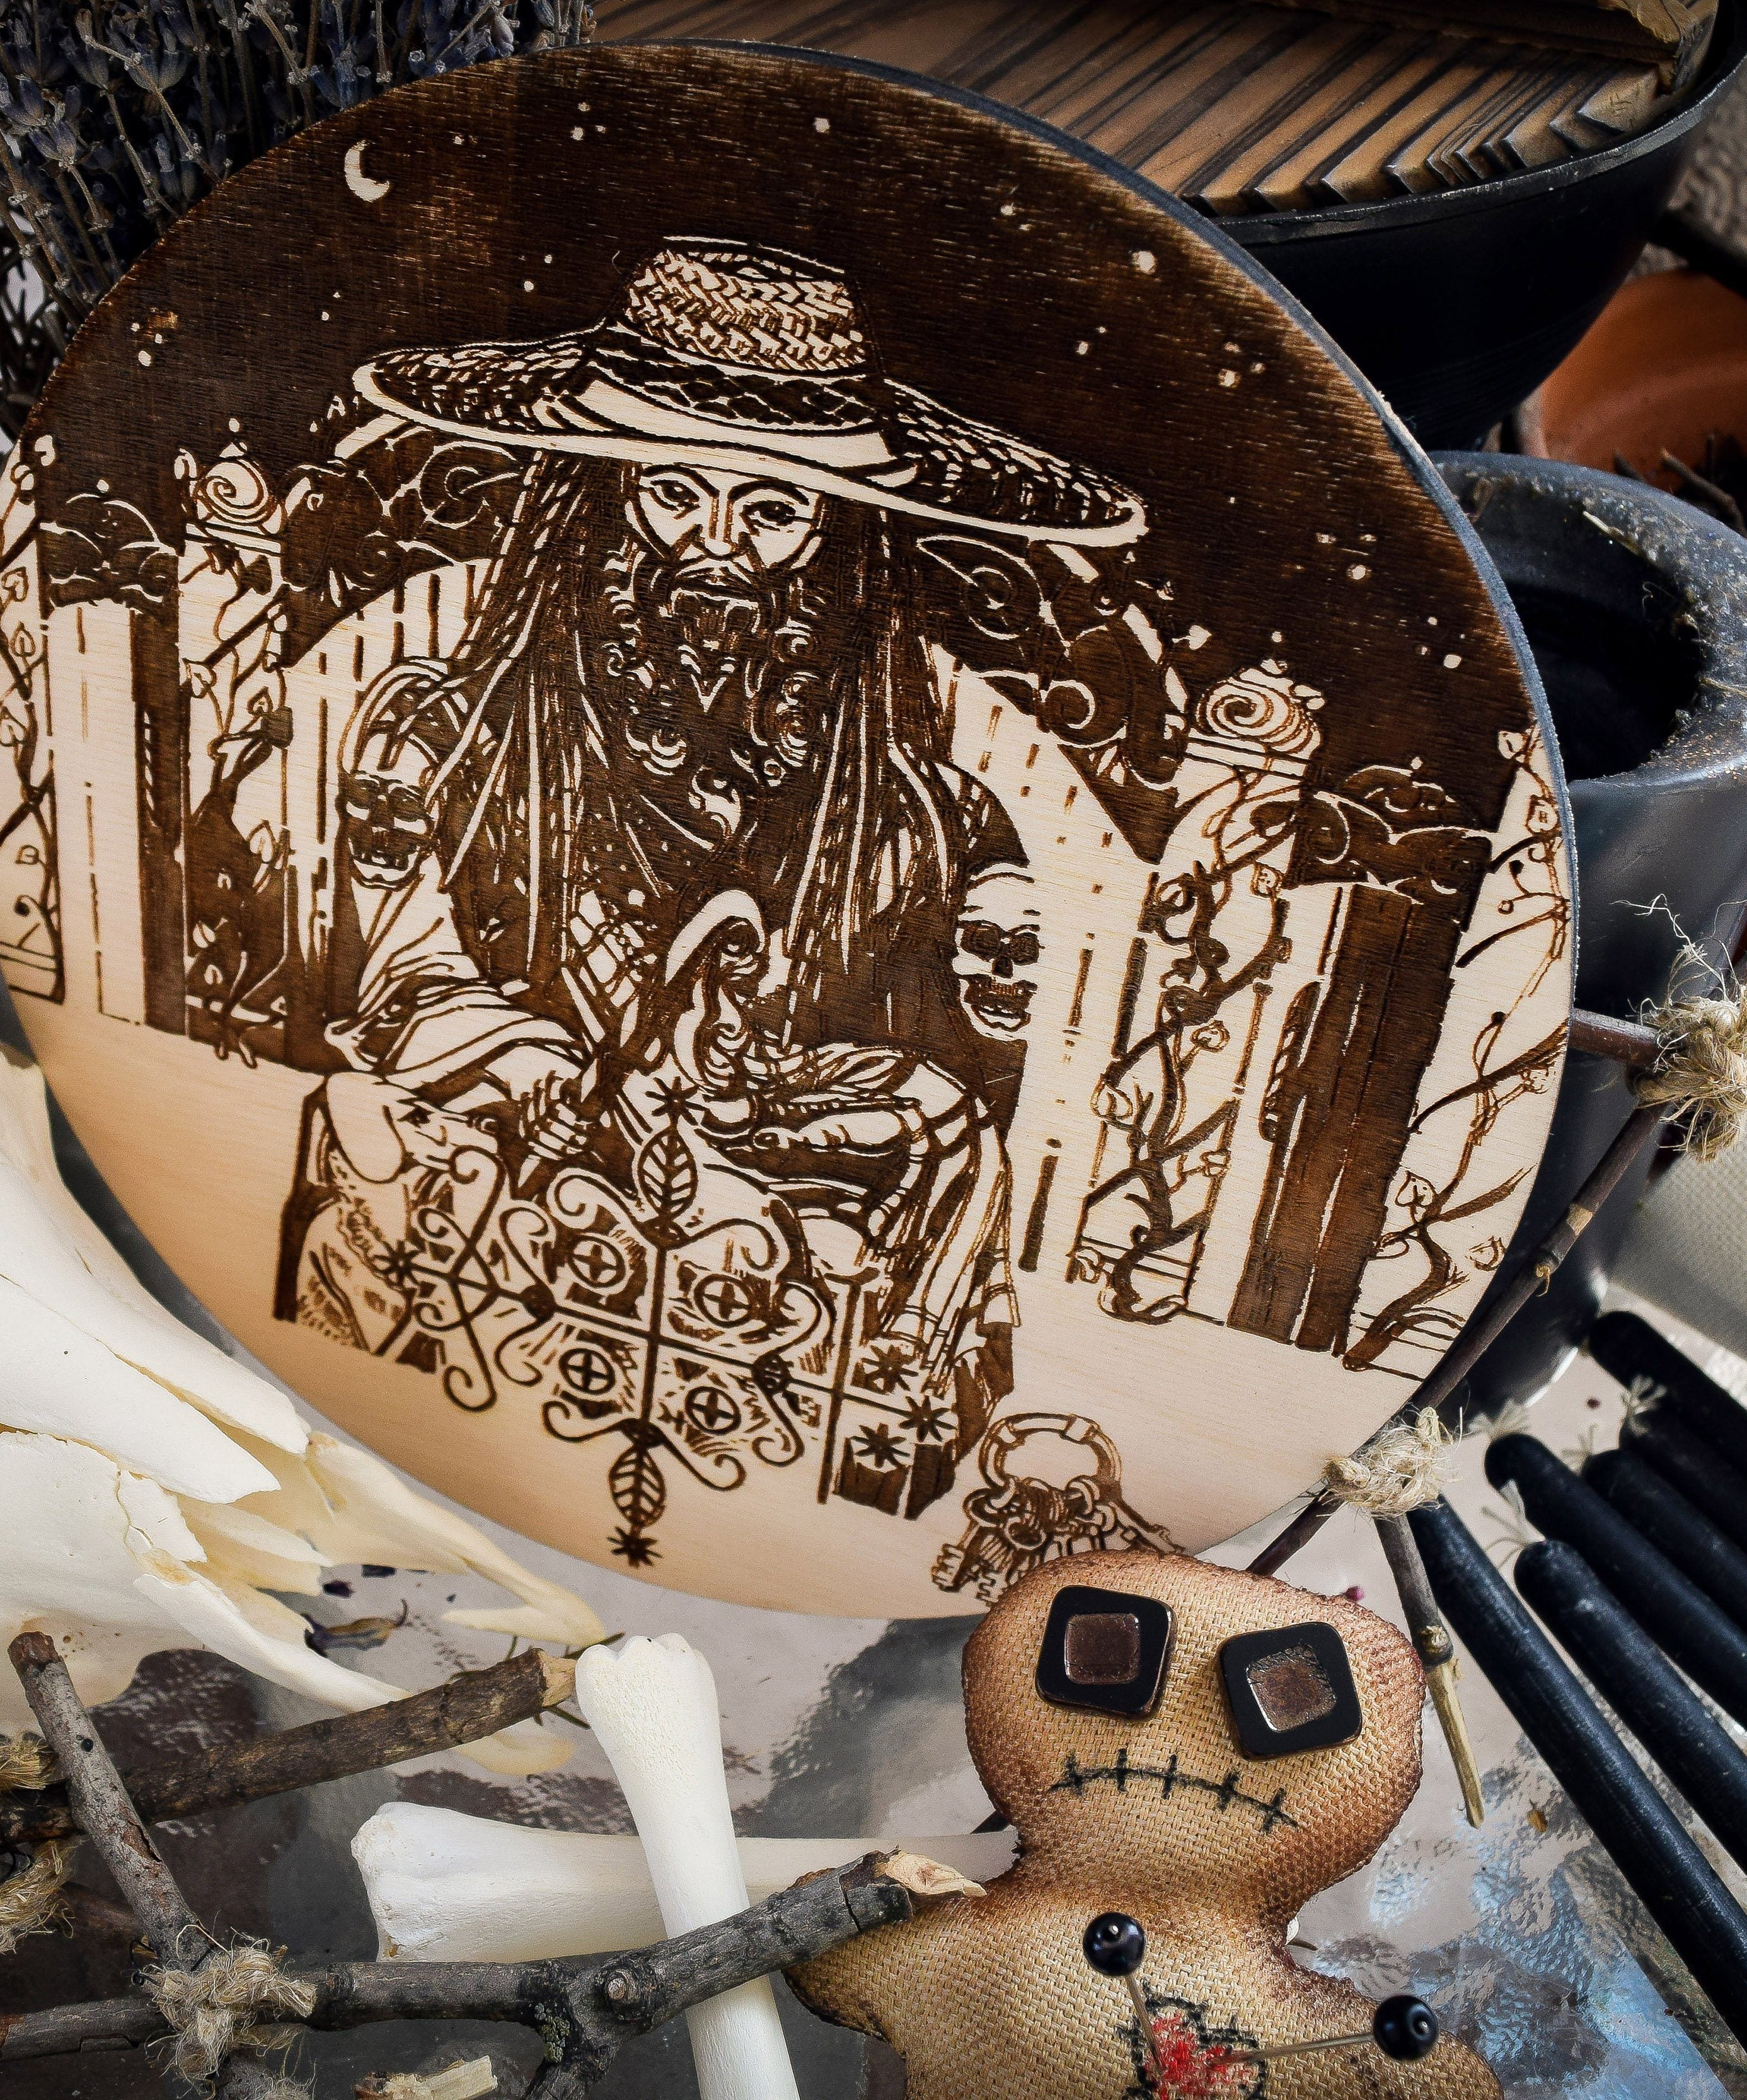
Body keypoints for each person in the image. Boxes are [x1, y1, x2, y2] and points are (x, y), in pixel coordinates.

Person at [280, 236, 1143, 1501]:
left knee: (951, 1141)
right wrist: (541, 1070)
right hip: (516, 1083)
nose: (718, 547)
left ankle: (873, 1479)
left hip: (762, 1105)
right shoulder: (442, 725)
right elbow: (405, 958)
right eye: (675, 495)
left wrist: (763, 1093)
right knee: (367, 1132)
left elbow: (963, 1041)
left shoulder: (917, 806)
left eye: (773, 510)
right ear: (609, 491)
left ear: (834, 536)